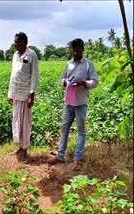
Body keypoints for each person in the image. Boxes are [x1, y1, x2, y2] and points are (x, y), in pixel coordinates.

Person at [48, 38, 98, 170]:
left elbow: (95, 82)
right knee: (64, 129)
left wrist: (84, 83)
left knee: (81, 131)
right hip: (68, 103)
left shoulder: (88, 64)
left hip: (81, 103)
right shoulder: (68, 64)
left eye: (77, 49)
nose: (74, 52)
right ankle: (60, 156)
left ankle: (77, 159)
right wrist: (65, 82)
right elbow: (61, 78)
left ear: (82, 49)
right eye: (73, 49)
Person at [8, 32, 39, 164]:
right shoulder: (15, 55)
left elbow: (35, 76)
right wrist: (10, 93)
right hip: (16, 94)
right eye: (14, 42)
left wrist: (32, 95)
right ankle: (19, 148)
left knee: (25, 124)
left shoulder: (32, 55)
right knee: (17, 122)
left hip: (26, 95)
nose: (14, 44)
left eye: (16, 42)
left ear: (23, 42)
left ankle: (25, 151)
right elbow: (13, 75)